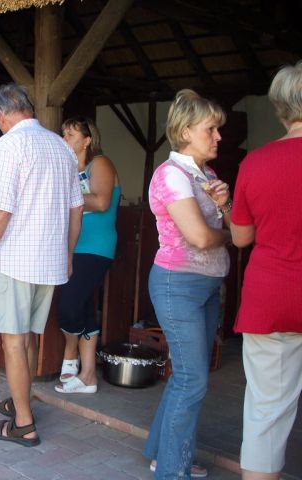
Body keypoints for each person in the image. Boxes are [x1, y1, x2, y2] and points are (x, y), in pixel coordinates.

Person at [0, 83, 84, 447]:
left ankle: (24, 424)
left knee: (13, 342)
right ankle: (19, 399)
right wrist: (68, 255)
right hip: (49, 262)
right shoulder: (61, 146)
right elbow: (76, 209)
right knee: (26, 337)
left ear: (0, 115)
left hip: (13, 260)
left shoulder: (9, 145)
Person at [142, 89, 232, 478]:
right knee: (193, 380)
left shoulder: (206, 176)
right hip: (177, 284)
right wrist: (226, 234)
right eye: (211, 129)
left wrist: (225, 206)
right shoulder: (171, 175)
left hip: (206, 285)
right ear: (186, 131)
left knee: (187, 376)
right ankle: (172, 469)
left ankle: (161, 452)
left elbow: (234, 229)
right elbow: (200, 237)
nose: (218, 136)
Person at [230, 62, 302, 480]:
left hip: (271, 296)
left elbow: (241, 237)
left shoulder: (255, 162)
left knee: (266, 411)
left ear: (279, 107)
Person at [54, 116, 120, 394]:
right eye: (63, 134)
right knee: (81, 308)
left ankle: (71, 353)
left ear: (87, 140)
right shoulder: (68, 170)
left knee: (69, 308)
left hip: (95, 246)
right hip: (72, 246)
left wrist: (61, 197)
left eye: (70, 134)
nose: (64, 139)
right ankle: (88, 376)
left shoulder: (100, 163)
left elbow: (102, 202)